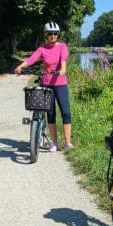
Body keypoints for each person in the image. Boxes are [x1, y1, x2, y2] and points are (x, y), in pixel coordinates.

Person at [14, 22, 73, 151]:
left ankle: (68, 143)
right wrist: (21, 66)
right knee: (50, 113)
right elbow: (31, 59)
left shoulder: (62, 47)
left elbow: (63, 63)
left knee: (66, 112)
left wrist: (62, 70)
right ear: (46, 35)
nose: (53, 36)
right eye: (50, 33)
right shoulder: (42, 49)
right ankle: (55, 143)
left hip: (60, 83)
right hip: (47, 84)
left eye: (55, 33)